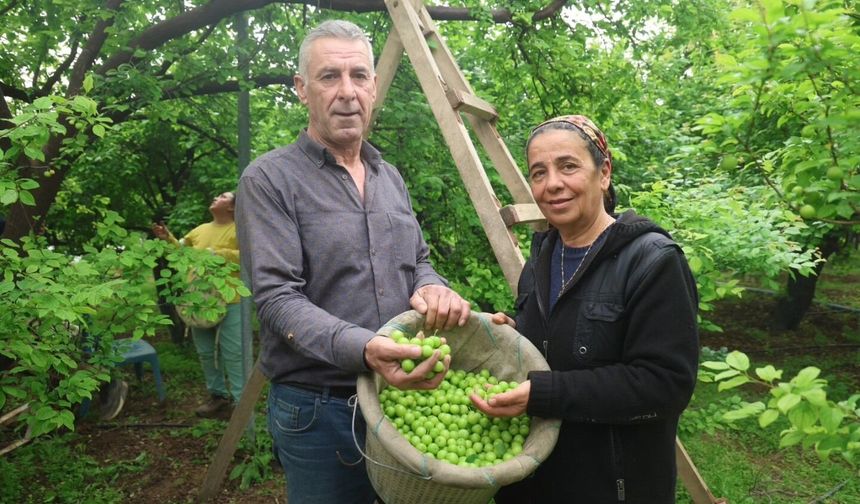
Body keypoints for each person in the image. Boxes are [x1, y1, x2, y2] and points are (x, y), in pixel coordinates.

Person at [235, 20, 471, 504]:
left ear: (374, 86)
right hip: (319, 411)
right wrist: (367, 348)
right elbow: (277, 299)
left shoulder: (390, 177)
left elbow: (419, 261)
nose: (347, 92)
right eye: (329, 77)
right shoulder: (269, 180)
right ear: (301, 89)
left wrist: (434, 288)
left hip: (400, 402)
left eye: (359, 76)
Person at [472, 115, 699, 503]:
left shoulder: (651, 262)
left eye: (568, 166)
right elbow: (555, 338)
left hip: (609, 487)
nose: (552, 184)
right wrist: (512, 335)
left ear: (604, 172)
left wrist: (543, 394)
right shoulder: (543, 255)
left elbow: (664, 384)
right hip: (532, 481)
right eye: (539, 172)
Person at [152, 191, 245, 417]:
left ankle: (241, 406)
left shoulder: (240, 229)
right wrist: (168, 239)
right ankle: (218, 398)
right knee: (204, 352)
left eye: (222, 196)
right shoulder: (199, 230)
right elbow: (182, 252)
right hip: (197, 300)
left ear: (232, 207)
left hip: (229, 299)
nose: (215, 197)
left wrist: (219, 253)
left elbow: (248, 255)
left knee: (233, 353)